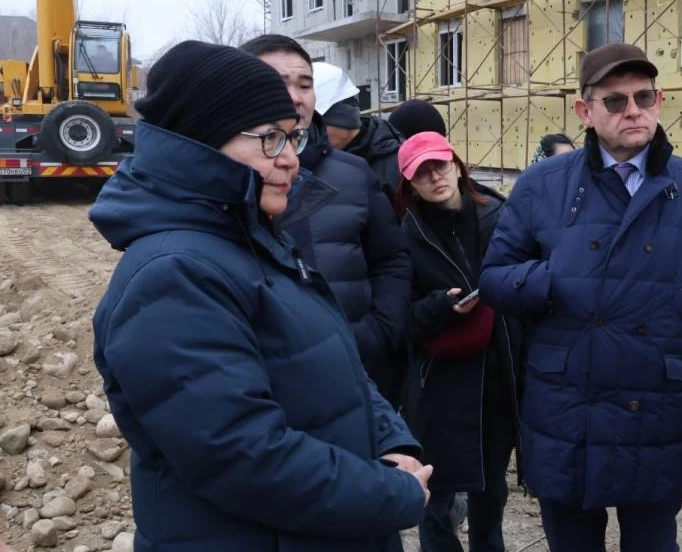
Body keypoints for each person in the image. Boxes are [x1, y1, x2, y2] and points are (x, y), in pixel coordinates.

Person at [89, 40, 430, 551]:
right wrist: (391, 493)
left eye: (292, 137)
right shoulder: (173, 276)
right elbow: (244, 456)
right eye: (271, 138)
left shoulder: (252, 240)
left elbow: (336, 368)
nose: (291, 159)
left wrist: (389, 439)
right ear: (201, 142)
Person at [478, 43, 682, 551]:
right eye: (615, 101)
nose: (633, 111)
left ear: (659, 101)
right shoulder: (541, 185)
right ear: (585, 111)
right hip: (567, 409)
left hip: (652, 409)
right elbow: (494, 278)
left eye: (643, 97)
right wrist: (552, 279)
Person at [240, 35, 412, 410]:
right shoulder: (224, 181)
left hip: (359, 376)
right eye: (278, 82)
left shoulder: (354, 173)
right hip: (263, 389)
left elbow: (391, 259)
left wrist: (379, 332)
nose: (295, 97)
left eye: (305, 85)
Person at [395, 132, 522, 552]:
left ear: (456, 164)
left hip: (497, 372)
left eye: (441, 165)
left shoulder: (499, 214)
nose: (435, 177)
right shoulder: (406, 234)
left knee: (491, 489)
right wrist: (441, 307)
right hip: (440, 381)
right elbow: (399, 317)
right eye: (422, 173)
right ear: (409, 183)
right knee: (436, 491)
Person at [314, 62, 406, 199]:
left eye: (316, 125)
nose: (311, 134)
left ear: (342, 119)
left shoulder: (395, 164)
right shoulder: (314, 160)